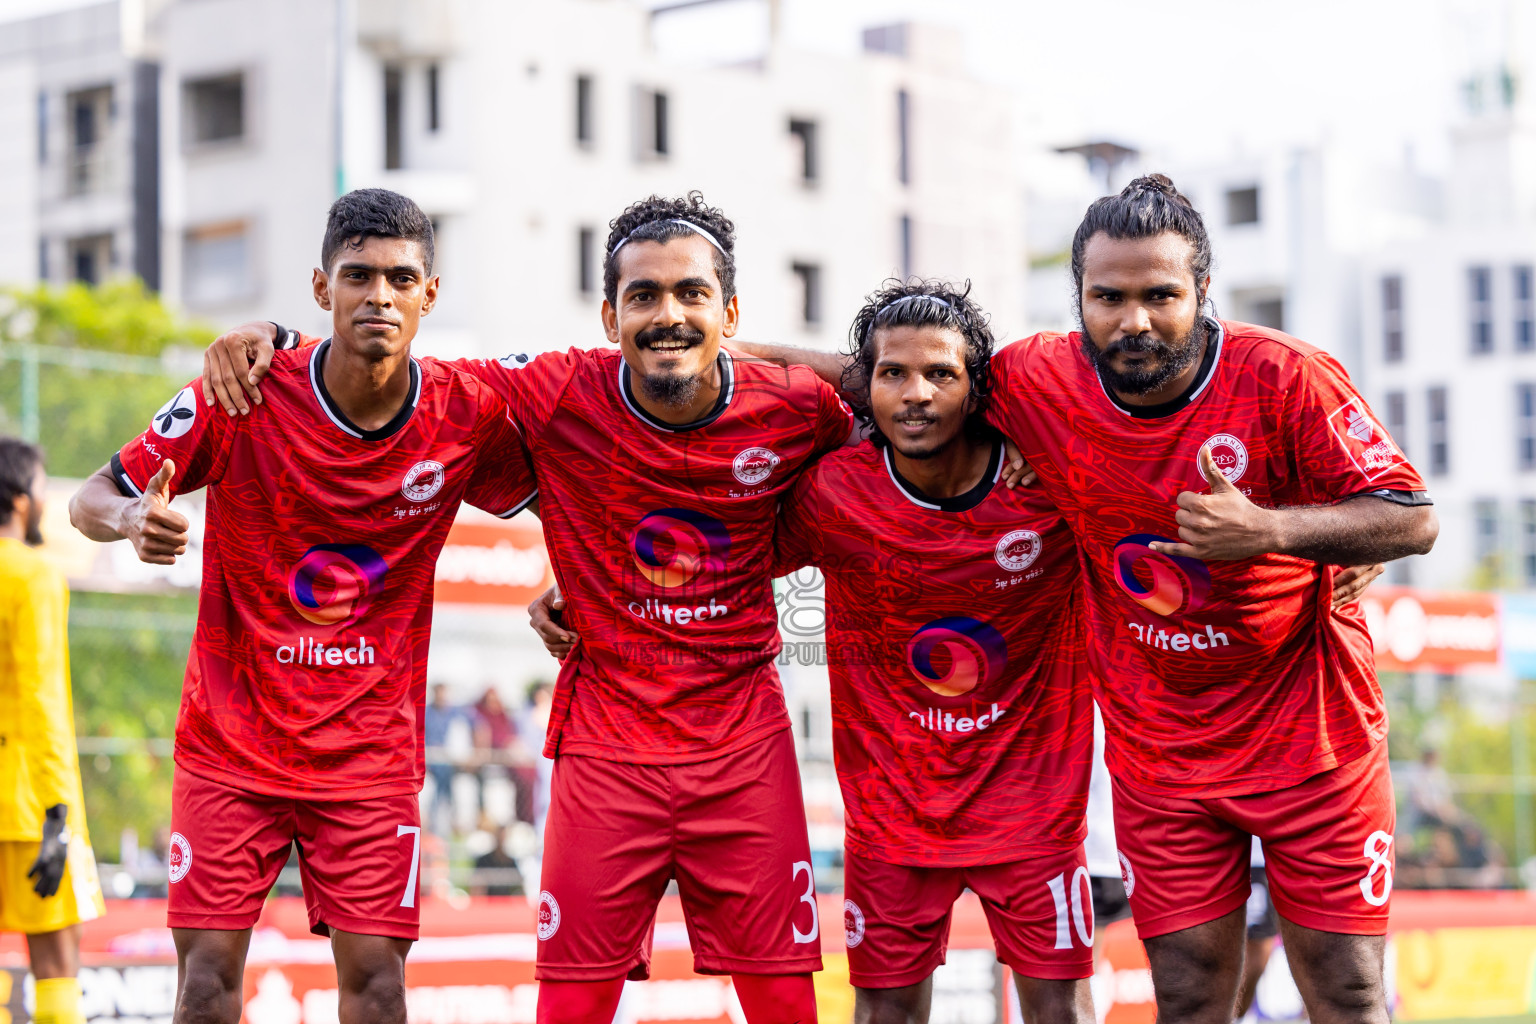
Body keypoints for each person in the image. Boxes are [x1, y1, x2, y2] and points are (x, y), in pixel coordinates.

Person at [706, 175, 1430, 1024]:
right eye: (1108, 296)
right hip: (1163, 759)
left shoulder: (1283, 378)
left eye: (1160, 295)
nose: (1134, 320)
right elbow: (888, 379)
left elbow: (1408, 518)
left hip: (1313, 738)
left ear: (1202, 290)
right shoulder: (1035, 380)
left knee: (1345, 988)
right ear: (1078, 296)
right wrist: (715, 344)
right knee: (1191, 993)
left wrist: (1272, 532)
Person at [196, 192, 856, 1024]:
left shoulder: (797, 406)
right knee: (570, 1011)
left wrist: (749, 348)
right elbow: (391, 361)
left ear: (729, 310)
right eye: (644, 297)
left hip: (744, 752)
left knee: (787, 1008)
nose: (668, 315)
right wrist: (279, 335)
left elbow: (892, 386)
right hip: (605, 752)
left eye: (693, 296)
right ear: (609, 315)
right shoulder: (553, 391)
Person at [69, 189, 537, 1024]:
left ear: (431, 295)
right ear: (321, 288)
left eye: (401, 279)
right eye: (358, 276)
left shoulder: (466, 414)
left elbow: (576, 485)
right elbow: (93, 497)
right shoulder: (241, 391)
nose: (379, 297)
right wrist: (135, 516)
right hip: (230, 746)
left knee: (380, 988)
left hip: (367, 764)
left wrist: (575, 577)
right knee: (207, 980)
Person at [757, 282, 1097, 1022]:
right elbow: (717, 555)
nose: (916, 393)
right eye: (892, 374)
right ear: (864, 389)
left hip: (1032, 813)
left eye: (941, 374)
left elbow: (1163, 495)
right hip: (892, 820)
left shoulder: (1051, 487)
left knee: (1061, 1013)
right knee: (884, 1016)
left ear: (978, 391)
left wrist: (1330, 554)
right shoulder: (829, 496)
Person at [0, 439, 107, 1024]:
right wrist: (59, 815)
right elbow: (43, 700)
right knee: (58, 955)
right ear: (21, 502)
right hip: (27, 802)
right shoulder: (33, 575)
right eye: (42, 490)